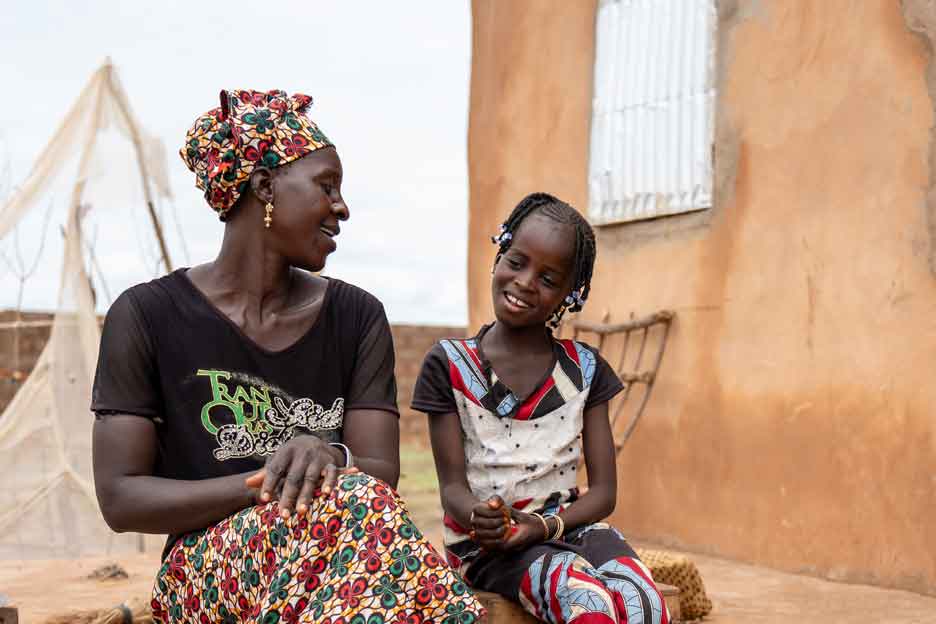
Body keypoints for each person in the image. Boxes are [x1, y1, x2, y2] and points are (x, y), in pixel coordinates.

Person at [91, 89, 484, 624]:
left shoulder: (356, 316)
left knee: (361, 506)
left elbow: (379, 470)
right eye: (327, 186)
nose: (342, 208)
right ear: (264, 184)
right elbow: (121, 498)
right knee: (359, 508)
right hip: (205, 571)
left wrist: (329, 457)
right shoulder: (146, 315)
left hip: (339, 551)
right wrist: (271, 481)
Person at [412, 193, 670, 624]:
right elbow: (453, 491)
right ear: (499, 254)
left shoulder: (585, 370)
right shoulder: (450, 365)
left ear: (571, 295)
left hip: (569, 528)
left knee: (644, 602)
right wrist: (483, 519)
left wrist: (544, 527)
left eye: (549, 279)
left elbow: (604, 494)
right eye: (517, 261)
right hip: (486, 544)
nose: (526, 282)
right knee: (585, 602)